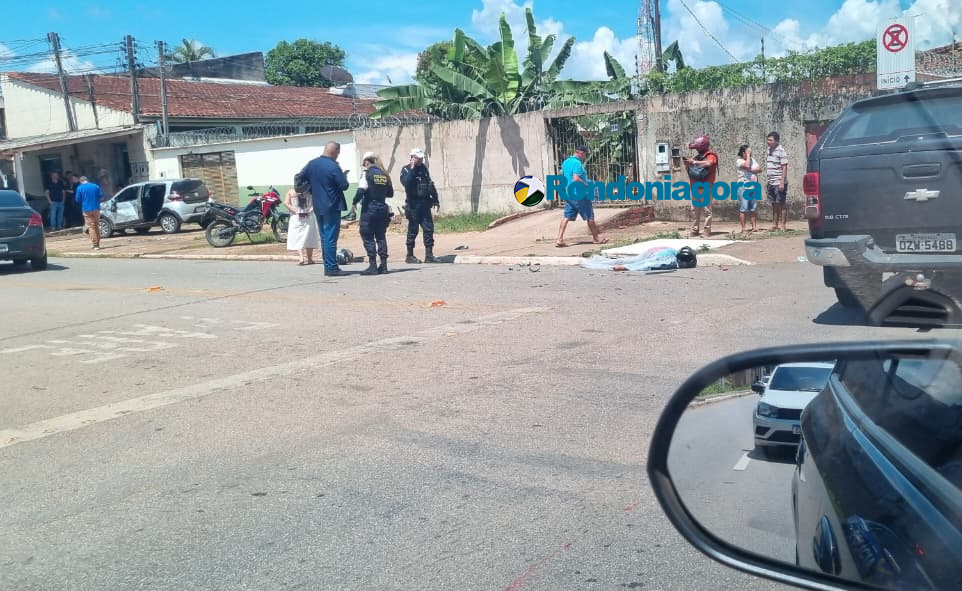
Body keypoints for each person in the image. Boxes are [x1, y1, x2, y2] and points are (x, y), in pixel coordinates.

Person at [299, 141, 350, 276]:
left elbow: (299, 178)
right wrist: (344, 176)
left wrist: (309, 188)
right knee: (330, 238)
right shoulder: (333, 166)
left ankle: (328, 265)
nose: (338, 156)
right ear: (335, 152)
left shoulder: (312, 164)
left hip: (318, 205)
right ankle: (332, 268)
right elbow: (343, 185)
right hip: (332, 205)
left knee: (324, 237)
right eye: (338, 153)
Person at [555, 145, 606, 248]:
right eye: (585, 155)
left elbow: (563, 177)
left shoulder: (565, 162)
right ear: (581, 153)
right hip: (580, 193)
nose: (585, 157)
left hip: (569, 193)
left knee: (566, 216)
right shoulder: (577, 163)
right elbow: (576, 178)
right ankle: (596, 239)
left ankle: (559, 239)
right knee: (590, 216)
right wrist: (587, 185)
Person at [353, 151, 395, 275]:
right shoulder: (384, 174)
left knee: (367, 235)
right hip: (382, 209)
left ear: (366, 162)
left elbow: (361, 191)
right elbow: (390, 193)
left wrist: (354, 202)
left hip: (369, 209)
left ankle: (372, 265)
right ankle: (384, 265)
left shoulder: (366, 174)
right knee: (381, 236)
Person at [400, 148, 440, 263]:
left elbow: (430, 184)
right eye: (419, 158)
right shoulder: (406, 170)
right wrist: (412, 169)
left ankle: (429, 255)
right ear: (412, 158)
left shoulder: (423, 169)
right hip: (413, 205)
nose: (421, 160)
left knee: (429, 229)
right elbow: (406, 183)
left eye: (422, 158)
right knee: (413, 230)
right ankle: (409, 255)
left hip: (425, 204)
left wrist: (436, 199)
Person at [683, 135, 719, 237]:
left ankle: (707, 230)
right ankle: (694, 230)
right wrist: (687, 164)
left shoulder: (711, 155)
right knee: (694, 211)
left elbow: (709, 163)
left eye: (697, 147)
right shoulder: (696, 157)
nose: (696, 149)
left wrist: (694, 162)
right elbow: (690, 171)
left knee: (707, 210)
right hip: (695, 187)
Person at [283, 179, 320, 265]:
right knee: (309, 237)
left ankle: (301, 258)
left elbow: (286, 203)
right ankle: (310, 259)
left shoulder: (291, 191)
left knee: (298, 237)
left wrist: (295, 211)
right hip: (308, 216)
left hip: (296, 217)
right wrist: (310, 210)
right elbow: (316, 202)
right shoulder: (311, 191)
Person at [735, 144, 762, 233]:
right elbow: (746, 165)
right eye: (748, 151)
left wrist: (752, 169)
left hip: (753, 186)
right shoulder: (739, 161)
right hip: (743, 187)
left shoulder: (753, 160)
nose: (751, 153)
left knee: (753, 208)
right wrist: (748, 157)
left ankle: (754, 226)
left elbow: (759, 169)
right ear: (743, 153)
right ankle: (744, 228)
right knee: (744, 208)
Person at [765, 131, 789, 231]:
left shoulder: (781, 151)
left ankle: (783, 225)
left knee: (781, 203)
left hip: (779, 181)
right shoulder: (768, 150)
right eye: (768, 139)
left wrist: (782, 182)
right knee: (774, 204)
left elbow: (784, 167)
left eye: (770, 140)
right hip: (771, 182)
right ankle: (775, 225)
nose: (768, 142)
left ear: (776, 141)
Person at [74, 176, 103, 250]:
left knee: (91, 227)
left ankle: (95, 245)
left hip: (86, 209)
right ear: (87, 180)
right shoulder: (95, 186)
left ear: (81, 181)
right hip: (96, 208)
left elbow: (77, 199)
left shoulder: (80, 188)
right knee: (96, 226)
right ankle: (98, 243)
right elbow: (101, 196)